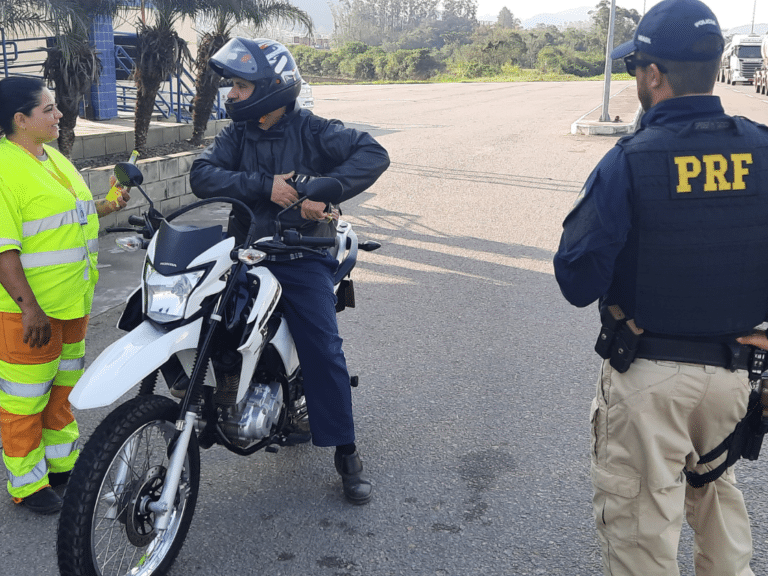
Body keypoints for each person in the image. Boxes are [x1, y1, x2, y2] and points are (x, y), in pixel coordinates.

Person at [553, 1, 768, 574]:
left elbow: (576, 280)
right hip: (734, 376)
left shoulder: (630, 162)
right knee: (719, 512)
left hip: (649, 380)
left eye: (635, 70)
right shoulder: (764, 149)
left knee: (641, 538)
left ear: (653, 75)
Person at [189, 38, 389, 505]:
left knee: (324, 349)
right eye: (232, 85)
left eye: (241, 85)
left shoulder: (316, 130)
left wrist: (327, 190)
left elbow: (372, 153)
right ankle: (200, 405)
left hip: (301, 253)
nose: (232, 94)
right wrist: (265, 185)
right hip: (245, 251)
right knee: (193, 318)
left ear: (272, 88)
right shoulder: (236, 135)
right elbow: (202, 174)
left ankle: (347, 452)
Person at [0, 77, 130, 515]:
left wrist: (108, 205)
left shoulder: (52, 158)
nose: (59, 115)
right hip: (28, 314)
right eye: (49, 110)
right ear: (21, 120)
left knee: (62, 392)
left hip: (73, 305)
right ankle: (28, 485)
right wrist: (30, 308)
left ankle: (60, 466)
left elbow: (72, 218)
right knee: (23, 402)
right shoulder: (3, 169)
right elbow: (3, 249)